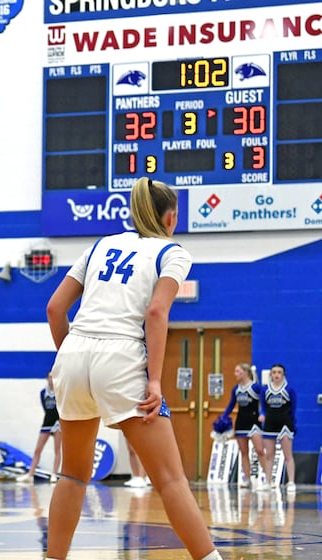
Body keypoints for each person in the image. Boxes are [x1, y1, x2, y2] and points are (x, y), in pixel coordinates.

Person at [43, 176, 223, 560]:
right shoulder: (171, 251)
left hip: (73, 351)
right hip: (121, 355)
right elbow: (157, 312)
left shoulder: (100, 245)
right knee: (171, 479)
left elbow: (55, 309)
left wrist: (73, 359)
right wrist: (155, 380)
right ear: (171, 217)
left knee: (72, 474)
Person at [215, 363, 266, 489]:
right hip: (241, 422)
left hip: (254, 422)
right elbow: (231, 405)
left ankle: (267, 479)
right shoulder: (236, 389)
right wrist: (223, 416)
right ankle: (247, 480)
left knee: (260, 451)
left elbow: (264, 402)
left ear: (245, 372)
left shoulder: (256, 387)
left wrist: (263, 413)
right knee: (244, 452)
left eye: (237, 371)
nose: (235, 374)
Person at [17, 373, 62, 484]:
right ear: (47, 379)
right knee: (38, 449)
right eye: (50, 377)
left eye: (54, 377)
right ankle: (30, 474)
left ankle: (54, 474)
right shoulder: (43, 393)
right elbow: (45, 408)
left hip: (58, 423)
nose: (52, 379)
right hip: (47, 422)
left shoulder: (60, 392)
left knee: (57, 450)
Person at [258, 363, 297, 494]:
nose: (276, 375)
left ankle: (291, 482)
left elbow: (293, 408)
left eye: (279, 372)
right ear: (271, 375)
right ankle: (268, 482)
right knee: (269, 454)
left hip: (285, 423)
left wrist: (292, 424)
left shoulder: (289, 389)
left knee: (288, 454)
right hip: (270, 423)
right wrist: (262, 415)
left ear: (283, 375)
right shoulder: (265, 390)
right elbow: (263, 407)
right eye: (274, 372)